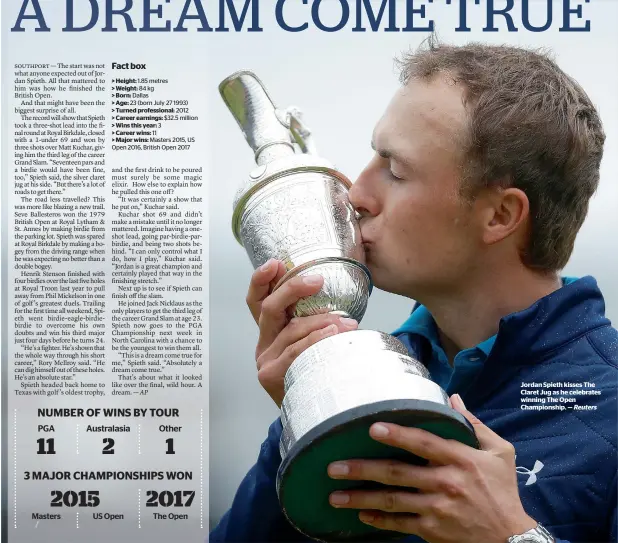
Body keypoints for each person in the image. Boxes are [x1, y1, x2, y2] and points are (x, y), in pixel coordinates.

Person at [210, 37, 617, 543]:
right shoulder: (369, 374)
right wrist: (309, 403)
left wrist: (513, 537)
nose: (356, 195)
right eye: (373, 157)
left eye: (396, 172)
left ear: (500, 215)